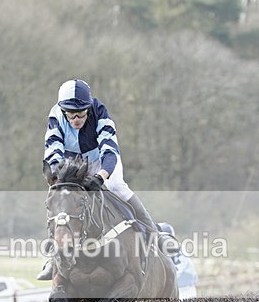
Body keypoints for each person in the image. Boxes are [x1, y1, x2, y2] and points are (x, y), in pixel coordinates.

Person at [38, 79, 178, 279]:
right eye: (71, 114)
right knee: (61, 199)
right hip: (72, 162)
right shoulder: (55, 116)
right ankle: (54, 257)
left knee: (116, 185)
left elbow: (110, 150)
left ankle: (154, 233)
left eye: (81, 113)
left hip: (101, 160)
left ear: (89, 108)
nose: (76, 119)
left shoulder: (100, 111)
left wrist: (101, 176)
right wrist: (58, 177)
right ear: (63, 111)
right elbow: (53, 151)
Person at [159, 223, 198, 298]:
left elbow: (178, 269)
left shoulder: (178, 249)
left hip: (185, 288)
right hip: (173, 289)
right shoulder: (159, 250)